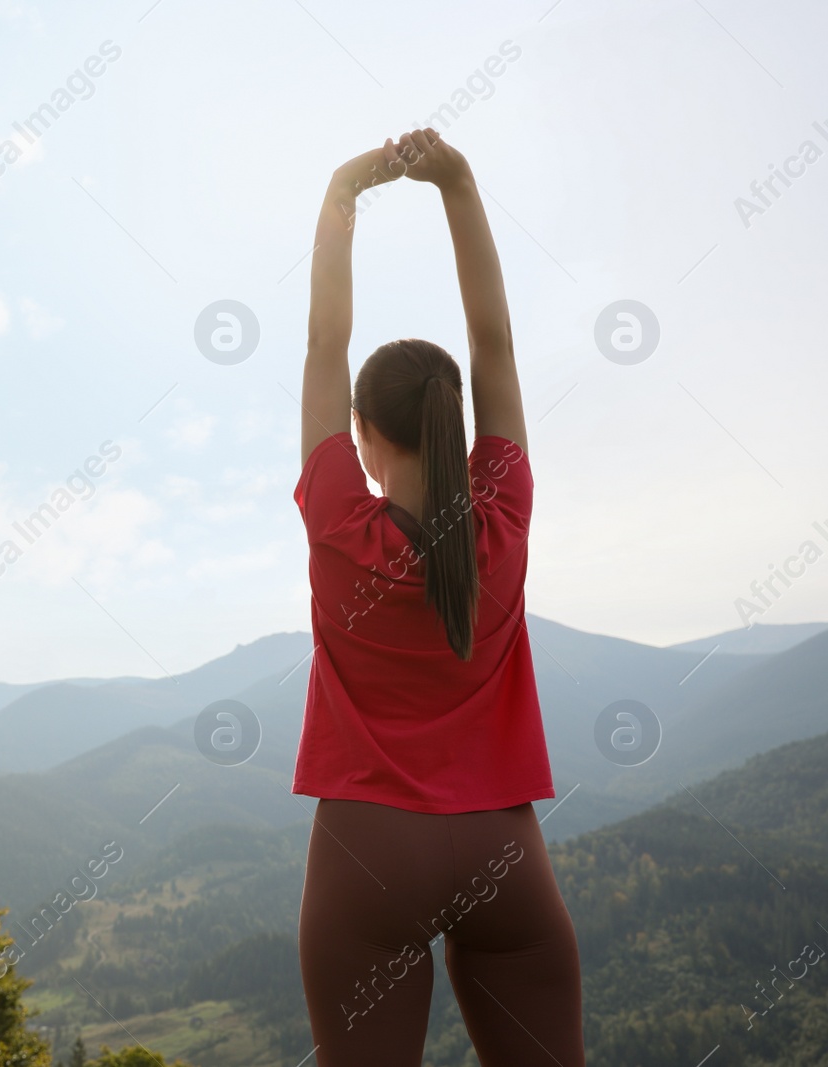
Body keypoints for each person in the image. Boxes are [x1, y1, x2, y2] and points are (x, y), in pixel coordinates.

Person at [291, 128, 586, 1066]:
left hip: (368, 855)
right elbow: (493, 337)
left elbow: (322, 338)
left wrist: (346, 189)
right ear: (454, 424)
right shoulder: (500, 525)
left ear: (364, 437)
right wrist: (457, 181)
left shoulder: (343, 522)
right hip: (504, 853)